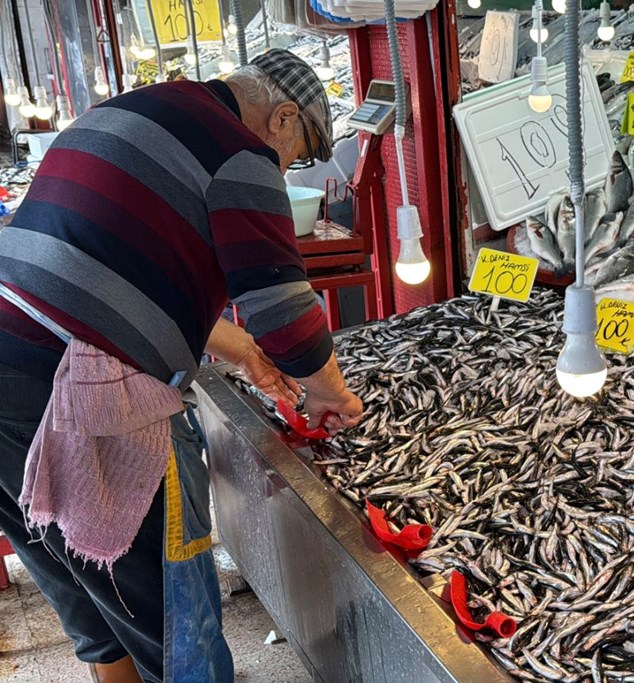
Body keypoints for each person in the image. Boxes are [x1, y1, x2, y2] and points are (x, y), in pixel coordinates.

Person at [0, 49, 363, 682]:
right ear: (282, 118)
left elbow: (111, 267)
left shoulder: (129, 110)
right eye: (299, 152)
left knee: (92, 605)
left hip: (10, 360)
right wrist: (327, 392)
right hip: (75, 391)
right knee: (174, 622)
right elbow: (280, 306)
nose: (288, 169)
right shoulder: (239, 152)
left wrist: (240, 348)